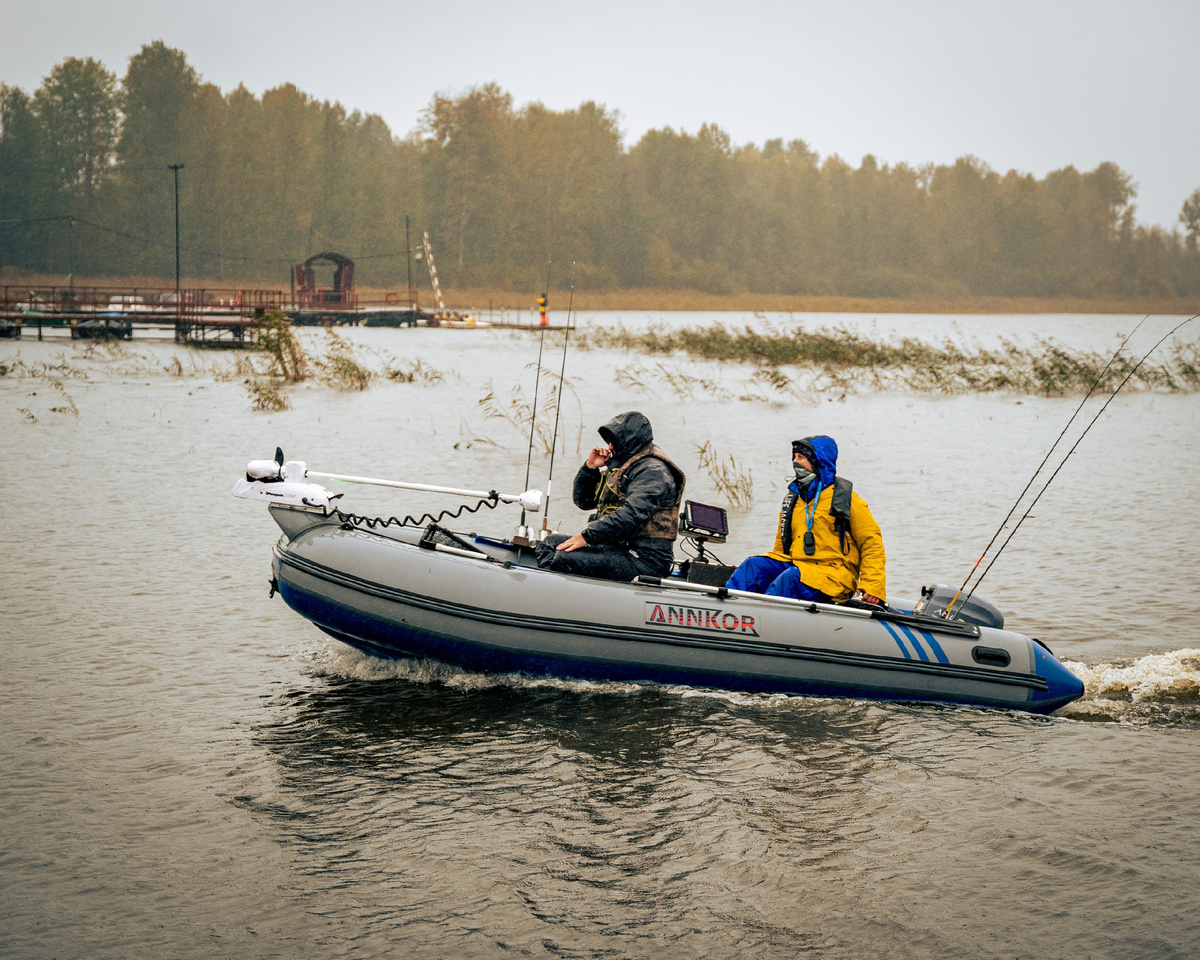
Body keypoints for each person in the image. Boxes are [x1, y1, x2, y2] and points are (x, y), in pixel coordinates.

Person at [725, 435, 887, 605]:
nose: (796, 462)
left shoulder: (847, 500)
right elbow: (781, 547)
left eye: (801, 457)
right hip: (797, 566)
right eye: (794, 457)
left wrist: (872, 586)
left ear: (819, 461)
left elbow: (872, 543)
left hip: (833, 576)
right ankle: (728, 609)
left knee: (790, 579)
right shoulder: (793, 500)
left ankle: (763, 615)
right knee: (754, 565)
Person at [535, 411, 686, 582]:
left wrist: (586, 537)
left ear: (630, 441)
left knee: (564, 557)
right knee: (550, 544)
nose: (611, 446)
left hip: (646, 558)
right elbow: (584, 501)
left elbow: (632, 514)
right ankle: (550, 587)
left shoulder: (653, 471)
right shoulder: (625, 467)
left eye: (616, 441)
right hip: (617, 547)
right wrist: (590, 468)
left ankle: (556, 590)